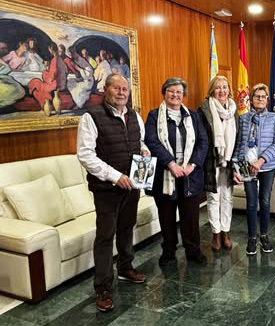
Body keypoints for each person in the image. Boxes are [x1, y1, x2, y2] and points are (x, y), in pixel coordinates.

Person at [77, 74, 150, 312]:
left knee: (127, 227)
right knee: (106, 236)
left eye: (125, 89)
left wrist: (145, 151)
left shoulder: (134, 115)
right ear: (105, 90)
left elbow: (140, 143)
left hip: (132, 184)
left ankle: (126, 268)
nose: (121, 92)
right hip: (107, 188)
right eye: (116, 88)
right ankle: (103, 287)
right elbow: (86, 155)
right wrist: (115, 176)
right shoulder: (91, 117)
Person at [144, 77, 208, 267]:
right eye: (171, 91)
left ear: (183, 95)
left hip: (190, 175)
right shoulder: (154, 116)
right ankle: (169, 252)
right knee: (167, 215)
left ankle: (193, 250)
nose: (175, 95)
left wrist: (193, 165)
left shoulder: (194, 116)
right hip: (165, 175)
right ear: (164, 93)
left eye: (179, 92)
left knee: (190, 216)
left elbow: (203, 142)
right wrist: (171, 164)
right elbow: (152, 141)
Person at [232, 83, 275, 255]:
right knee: (252, 202)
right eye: (257, 96)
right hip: (246, 167)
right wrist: (235, 165)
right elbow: (239, 143)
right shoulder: (244, 118)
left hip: (267, 166)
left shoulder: (274, 118)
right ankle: (252, 238)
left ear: (267, 99)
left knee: (265, 200)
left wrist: (261, 160)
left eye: (263, 97)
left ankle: (264, 235)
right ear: (252, 99)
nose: (260, 99)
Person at [197, 75, 238, 252]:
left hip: (226, 161)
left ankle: (226, 232)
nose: (222, 90)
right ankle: (215, 234)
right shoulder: (204, 108)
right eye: (218, 87)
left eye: (225, 87)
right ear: (212, 90)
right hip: (211, 160)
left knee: (226, 198)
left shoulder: (234, 109)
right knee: (213, 198)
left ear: (229, 90)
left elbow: (238, 137)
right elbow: (200, 136)